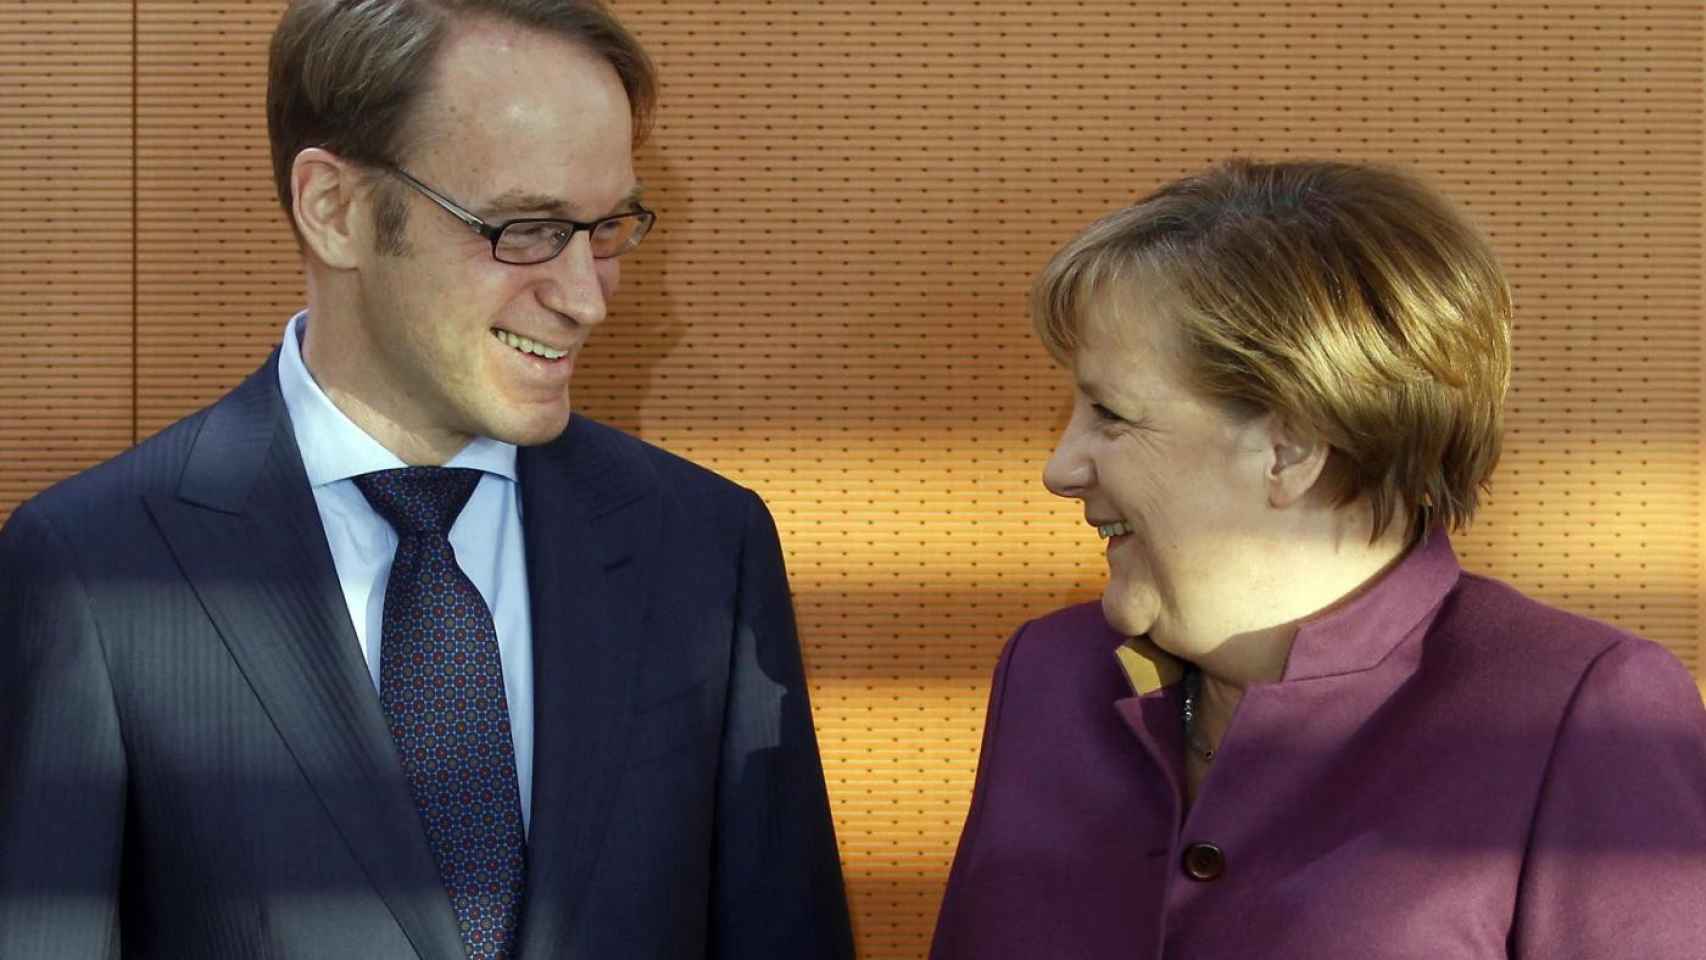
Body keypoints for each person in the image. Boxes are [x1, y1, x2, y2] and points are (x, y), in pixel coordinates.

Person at [0, 2, 854, 958]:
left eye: (607, 227)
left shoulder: (706, 546)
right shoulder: (95, 566)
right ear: (337, 209)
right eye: (527, 228)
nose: (585, 298)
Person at [930, 159, 1706, 958]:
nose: (1060, 469)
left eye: (1110, 414)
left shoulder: (1579, 707)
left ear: (1291, 445)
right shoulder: (1051, 675)